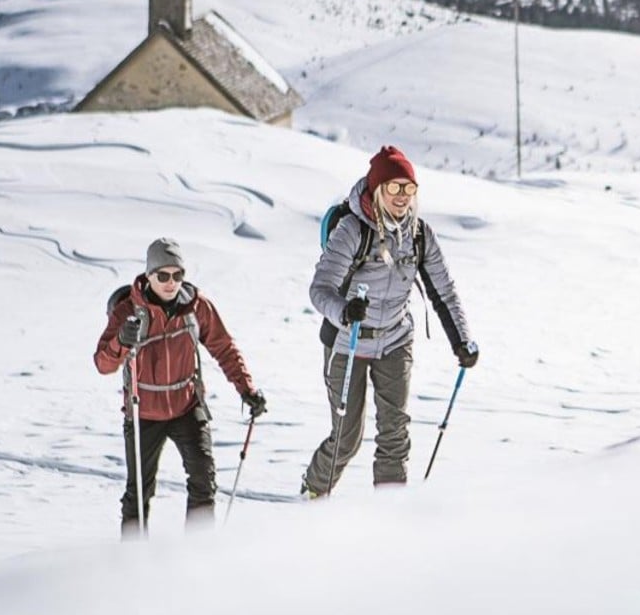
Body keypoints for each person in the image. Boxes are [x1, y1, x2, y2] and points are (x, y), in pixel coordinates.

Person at [302, 146, 478, 497]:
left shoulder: (419, 234)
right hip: (347, 342)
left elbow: (444, 291)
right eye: (394, 187)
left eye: (408, 188)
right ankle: (313, 493)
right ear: (378, 188)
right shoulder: (353, 229)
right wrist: (344, 311)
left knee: (395, 435)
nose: (402, 197)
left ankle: (391, 521)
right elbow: (320, 289)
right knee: (347, 437)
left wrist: (462, 339)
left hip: (395, 341)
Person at [94, 237, 266, 536]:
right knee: (138, 493)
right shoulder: (128, 311)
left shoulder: (195, 307)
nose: (171, 282)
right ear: (149, 275)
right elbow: (103, 364)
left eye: (178, 275)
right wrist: (122, 340)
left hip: (187, 406)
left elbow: (223, 347)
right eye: (163, 275)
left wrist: (246, 389)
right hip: (143, 412)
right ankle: (132, 565)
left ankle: (196, 559)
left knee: (204, 481)